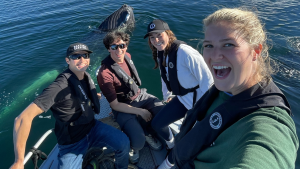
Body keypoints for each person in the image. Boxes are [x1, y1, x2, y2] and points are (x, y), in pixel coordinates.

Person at [158, 8, 299, 169]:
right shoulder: (222, 91)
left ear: (255, 51)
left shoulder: (270, 123)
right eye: (209, 45)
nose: (215, 55)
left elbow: (267, 153)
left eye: (228, 44)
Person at [10, 43, 130, 169]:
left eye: (85, 55)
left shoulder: (84, 76)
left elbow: (83, 96)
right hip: (72, 143)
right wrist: (19, 161)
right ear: (68, 60)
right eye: (76, 56)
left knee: (123, 143)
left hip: (93, 128)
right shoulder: (59, 86)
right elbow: (22, 118)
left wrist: (99, 96)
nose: (82, 60)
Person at [97, 31, 169, 164]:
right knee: (138, 142)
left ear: (126, 46)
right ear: (108, 48)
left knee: (163, 113)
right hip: (121, 105)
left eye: (122, 45)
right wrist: (140, 111)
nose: (119, 50)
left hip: (139, 95)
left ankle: (148, 132)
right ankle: (134, 146)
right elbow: (115, 105)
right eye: (114, 47)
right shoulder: (104, 73)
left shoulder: (127, 57)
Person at [143, 19, 214, 151]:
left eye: (159, 35)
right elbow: (164, 77)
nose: (156, 40)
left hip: (199, 102)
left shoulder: (185, 52)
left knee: (193, 136)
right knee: (157, 124)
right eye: (152, 37)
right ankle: (172, 145)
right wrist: (167, 96)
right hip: (182, 99)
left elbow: (208, 80)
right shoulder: (161, 53)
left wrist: (204, 108)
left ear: (168, 34)